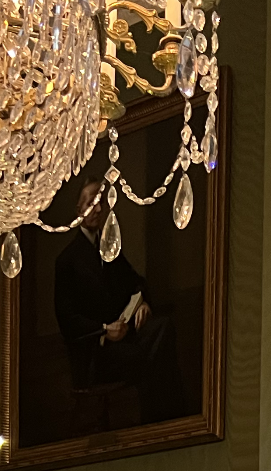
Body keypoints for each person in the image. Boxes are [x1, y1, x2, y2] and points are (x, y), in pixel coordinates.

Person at [52, 180, 187, 425]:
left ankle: (167, 416)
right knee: (147, 356)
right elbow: (67, 320)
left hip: (124, 339)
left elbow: (135, 282)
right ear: (78, 208)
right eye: (91, 203)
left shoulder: (108, 250)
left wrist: (143, 302)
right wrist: (104, 330)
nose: (97, 209)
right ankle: (158, 421)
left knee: (164, 327)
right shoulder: (67, 261)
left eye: (101, 203)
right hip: (94, 353)